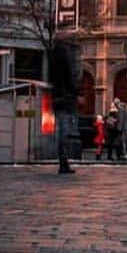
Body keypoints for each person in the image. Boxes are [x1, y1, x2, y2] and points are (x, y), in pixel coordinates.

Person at [49, 35, 82, 175]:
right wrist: (75, 93)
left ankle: (63, 161)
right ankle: (63, 162)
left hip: (56, 96)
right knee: (64, 131)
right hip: (65, 97)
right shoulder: (64, 55)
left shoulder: (52, 53)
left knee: (61, 129)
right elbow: (69, 76)